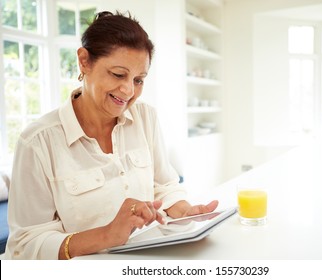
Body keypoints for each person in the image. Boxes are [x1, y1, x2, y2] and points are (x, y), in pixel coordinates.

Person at [5, 11, 218, 260]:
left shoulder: (146, 118)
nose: (128, 91)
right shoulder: (38, 142)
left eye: (139, 80)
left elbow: (164, 185)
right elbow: (26, 245)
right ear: (84, 61)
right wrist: (107, 235)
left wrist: (184, 210)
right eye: (118, 74)